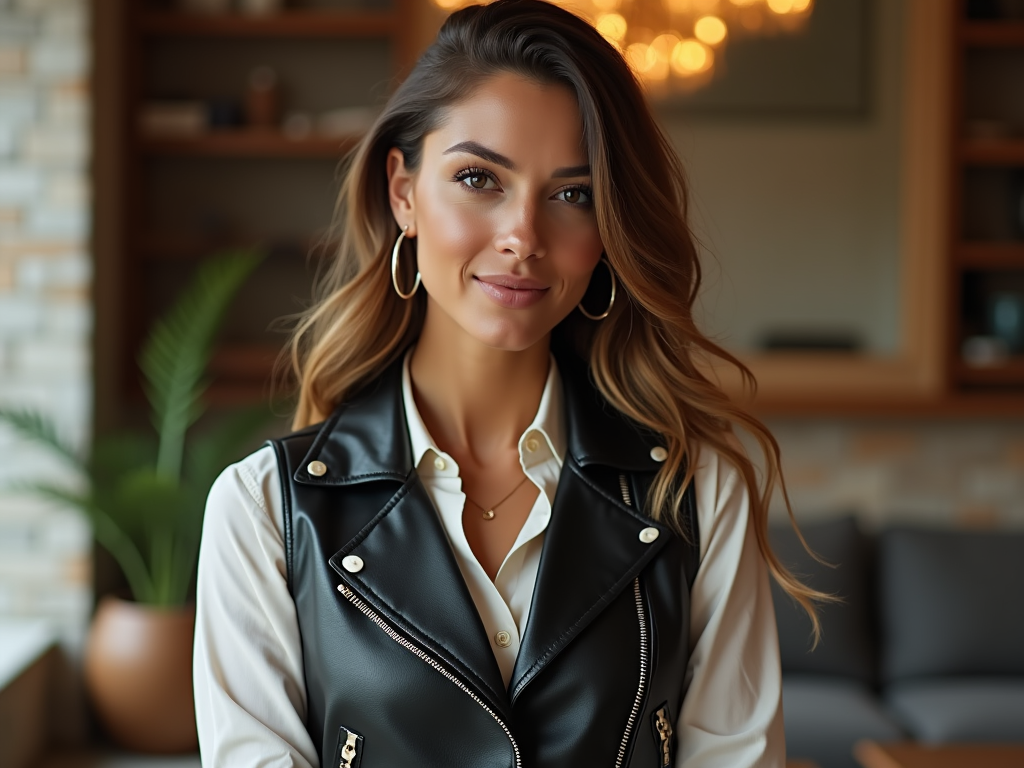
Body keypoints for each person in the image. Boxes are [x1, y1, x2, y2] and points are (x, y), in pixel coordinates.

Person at [193, 1, 823, 766]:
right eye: (477, 178)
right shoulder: (263, 510)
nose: (523, 237)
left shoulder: (696, 494)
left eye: (572, 194)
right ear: (403, 193)